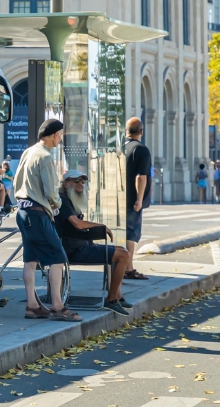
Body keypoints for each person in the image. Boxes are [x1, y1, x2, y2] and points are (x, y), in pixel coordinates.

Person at [12, 118, 79, 322]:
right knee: (58, 258)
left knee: (30, 260)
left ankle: (32, 305)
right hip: (37, 214)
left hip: (23, 212)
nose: (61, 139)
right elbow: (51, 191)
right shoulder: (46, 157)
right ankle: (58, 306)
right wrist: (57, 204)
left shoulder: (28, 152)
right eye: (60, 135)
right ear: (54, 135)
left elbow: (16, 181)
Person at [53, 170, 131, 316]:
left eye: (83, 182)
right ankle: (111, 299)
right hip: (72, 251)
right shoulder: (62, 200)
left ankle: (117, 295)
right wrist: (101, 227)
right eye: (76, 181)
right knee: (123, 255)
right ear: (65, 183)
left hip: (80, 246)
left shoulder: (70, 200)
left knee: (121, 250)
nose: (80, 184)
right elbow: (77, 224)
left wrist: (91, 242)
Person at [123, 117, 150, 281]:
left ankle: (122, 267)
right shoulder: (141, 149)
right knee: (130, 235)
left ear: (126, 131)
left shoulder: (120, 148)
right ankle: (128, 268)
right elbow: (141, 177)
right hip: (132, 200)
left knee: (122, 234)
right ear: (141, 131)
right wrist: (139, 199)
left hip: (118, 198)